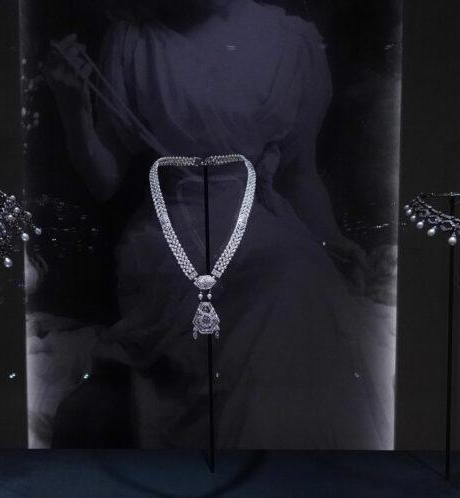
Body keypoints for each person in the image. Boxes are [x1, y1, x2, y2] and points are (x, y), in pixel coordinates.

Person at [43, 0, 394, 449]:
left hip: (262, 220)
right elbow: (103, 179)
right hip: (169, 231)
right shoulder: (134, 42)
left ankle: (270, 473)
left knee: (291, 279)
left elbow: (299, 174)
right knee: (272, 288)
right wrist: (72, 107)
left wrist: (332, 239)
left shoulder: (293, 43)